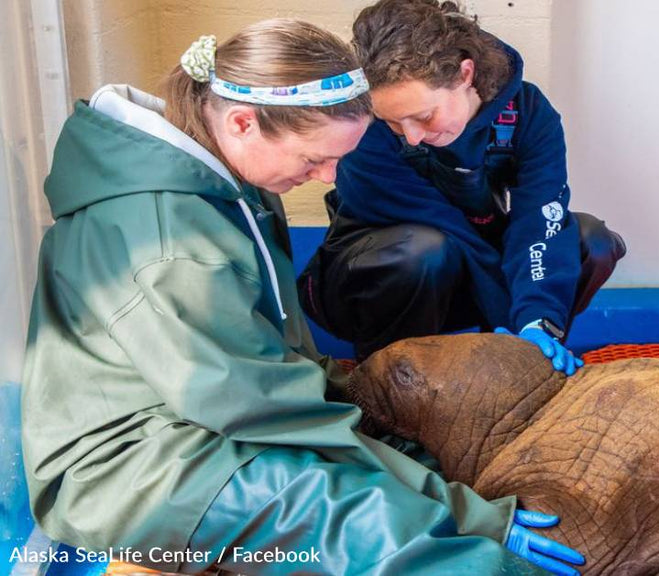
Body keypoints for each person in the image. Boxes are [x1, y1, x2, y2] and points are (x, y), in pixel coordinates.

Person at [21, 19, 584, 576]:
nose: (328, 178)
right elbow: (264, 408)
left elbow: (267, 368)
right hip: (127, 467)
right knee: (371, 525)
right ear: (243, 122)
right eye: (314, 160)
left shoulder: (229, 184)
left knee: (406, 460)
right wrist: (468, 516)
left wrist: (397, 443)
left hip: (203, 421)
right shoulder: (173, 244)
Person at [297, 0, 627, 370]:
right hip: (372, 280)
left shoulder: (529, 113)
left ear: (464, 74)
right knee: (425, 249)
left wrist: (536, 324)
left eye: (423, 116)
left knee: (589, 240)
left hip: (465, 269)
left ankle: (530, 358)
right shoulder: (363, 129)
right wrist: (510, 319)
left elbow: (539, 220)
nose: (412, 136)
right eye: (393, 122)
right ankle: (390, 374)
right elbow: (449, 230)